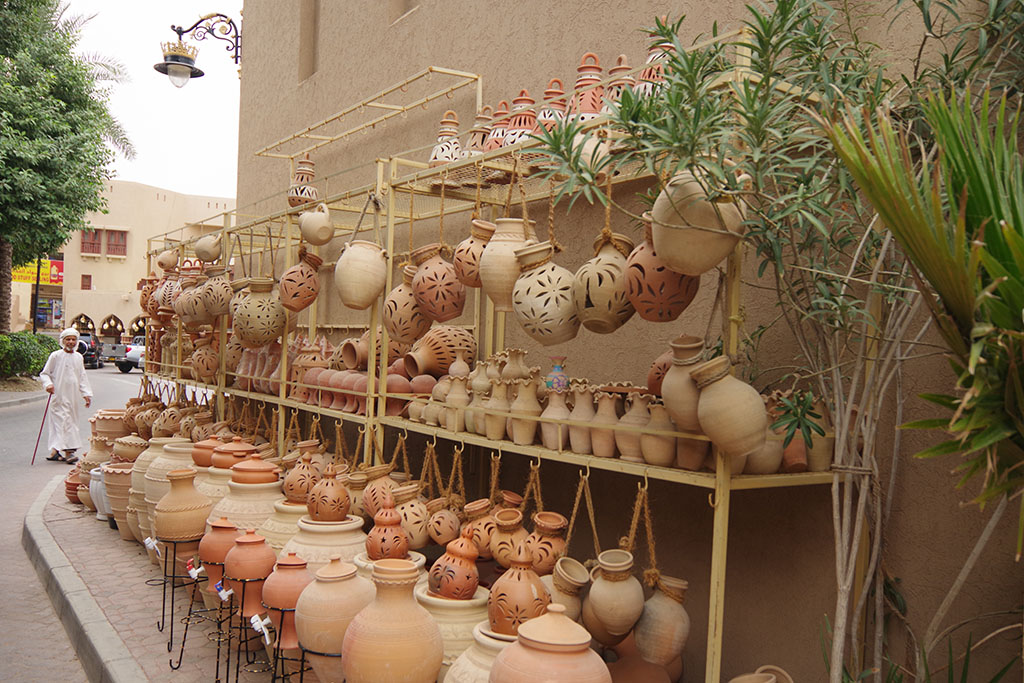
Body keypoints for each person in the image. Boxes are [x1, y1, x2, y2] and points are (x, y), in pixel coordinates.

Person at [40, 328, 93, 464]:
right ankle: (69, 452)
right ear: (62, 341)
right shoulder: (55, 356)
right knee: (60, 422)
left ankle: (55, 451)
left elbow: (82, 377)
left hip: (72, 397)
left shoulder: (78, 357)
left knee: (69, 422)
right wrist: (48, 385)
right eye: (68, 339)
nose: (70, 342)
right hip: (57, 395)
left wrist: (86, 394)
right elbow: (45, 373)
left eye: (73, 339)